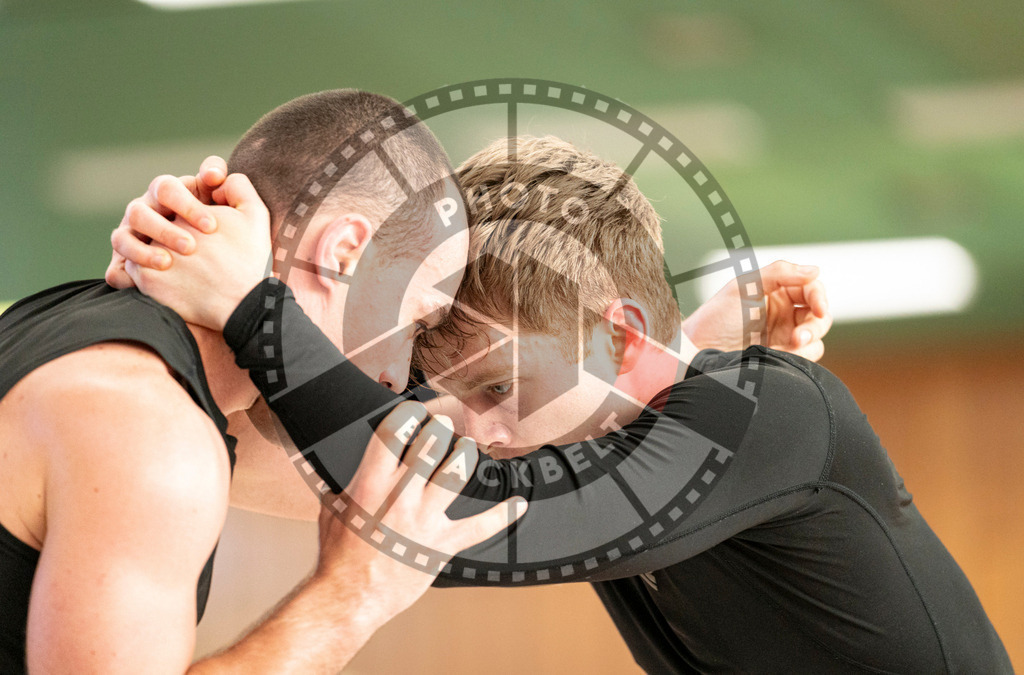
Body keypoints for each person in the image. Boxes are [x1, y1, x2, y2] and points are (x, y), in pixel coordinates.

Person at [123, 134, 1011, 673]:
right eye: (458, 397)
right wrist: (149, 378)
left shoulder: (774, 412)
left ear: (621, 335)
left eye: (500, 388)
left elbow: (452, 517)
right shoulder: (652, 429)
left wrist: (250, 307)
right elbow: (358, 480)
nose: (480, 432)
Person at [0, 89, 524, 673]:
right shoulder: (152, 430)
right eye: (416, 320)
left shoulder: (69, 328)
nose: (394, 376)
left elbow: (386, 480)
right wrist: (353, 596)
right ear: (345, 254)